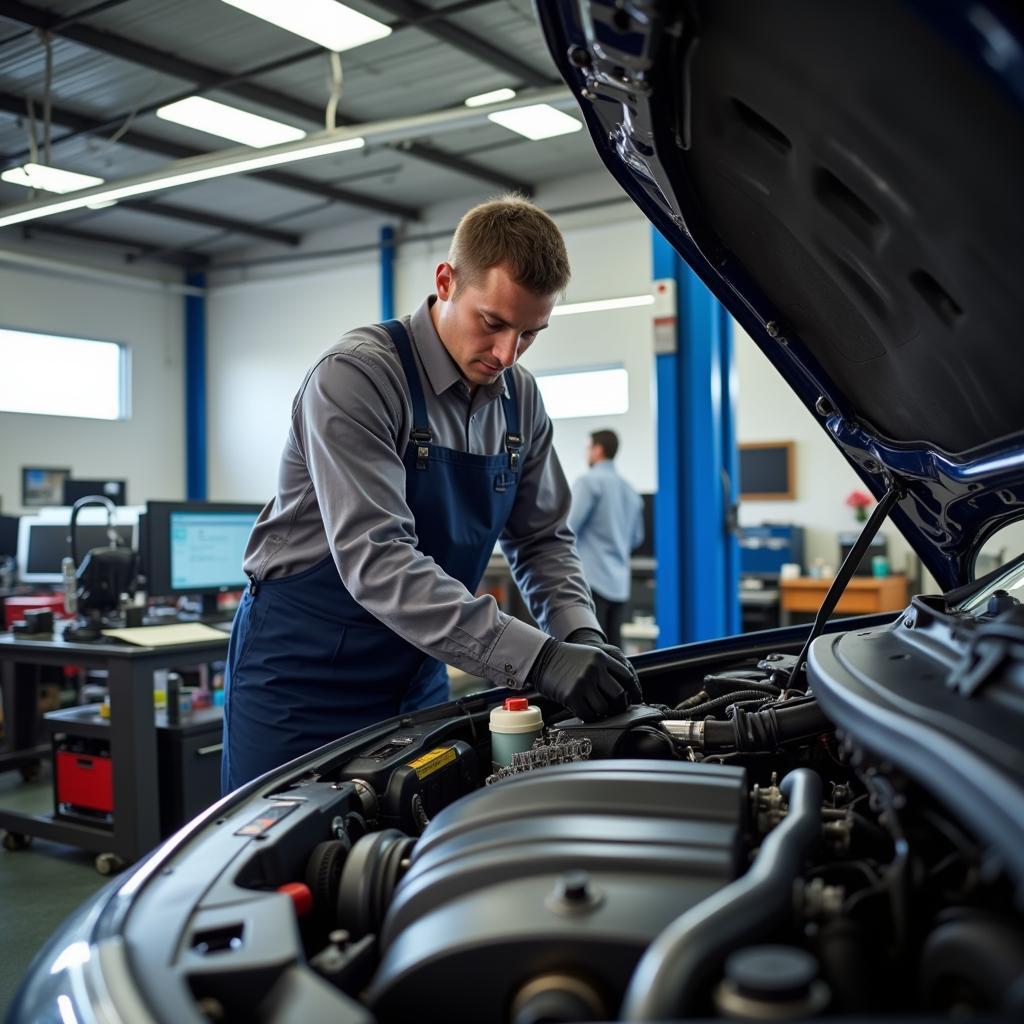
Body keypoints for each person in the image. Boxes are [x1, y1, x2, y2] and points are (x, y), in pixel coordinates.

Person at [221, 196, 641, 792]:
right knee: (283, 865)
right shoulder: (358, 377)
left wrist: (579, 635)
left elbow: (543, 539)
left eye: (529, 334)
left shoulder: (520, 400)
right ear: (445, 282)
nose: (506, 354)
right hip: (301, 677)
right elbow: (378, 559)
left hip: (417, 668)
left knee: (412, 849)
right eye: (493, 322)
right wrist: (541, 659)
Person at [568, 430, 645, 649]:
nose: (586, 454)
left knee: (590, 650)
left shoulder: (588, 482)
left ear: (598, 450)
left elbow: (567, 529)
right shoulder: (630, 491)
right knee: (615, 650)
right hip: (620, 584)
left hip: (592, 582)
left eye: (587, 448)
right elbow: (636, 538)